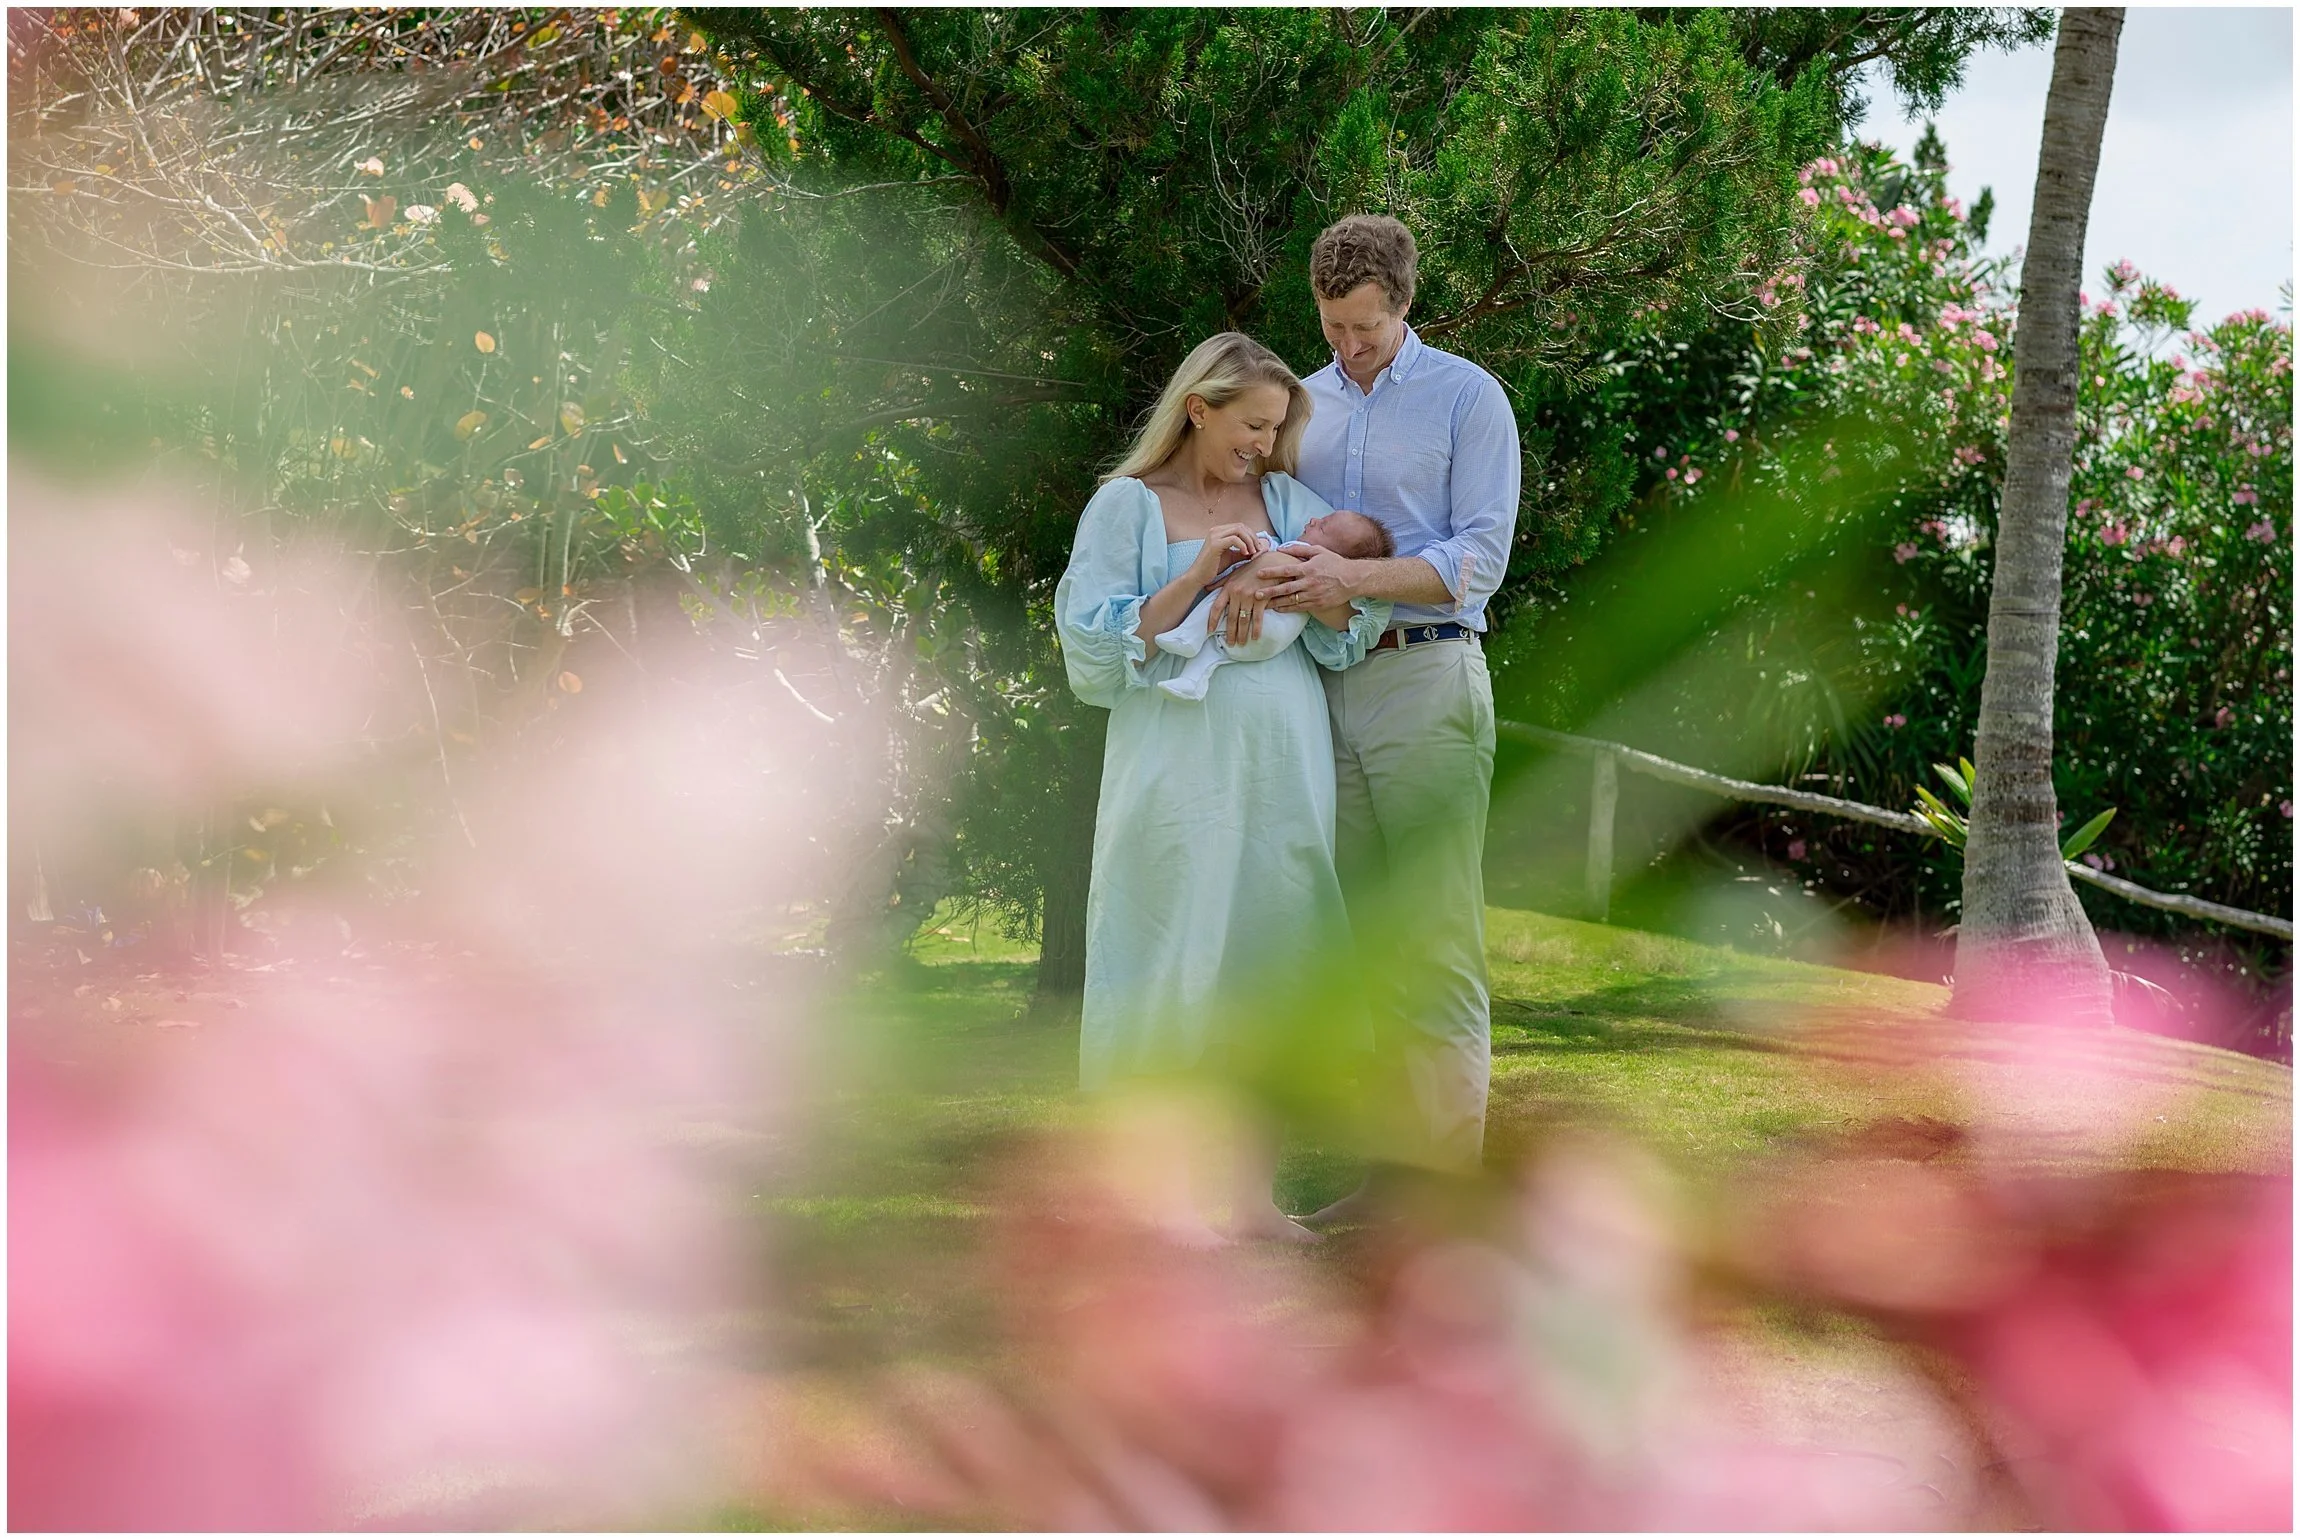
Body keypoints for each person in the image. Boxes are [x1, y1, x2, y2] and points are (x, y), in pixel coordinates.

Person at [1053, 331, 1390, 1244]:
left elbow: (1350, 620)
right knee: (1168, 949)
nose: (1263, 444)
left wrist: (1290, 585)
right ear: (1198, 408)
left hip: (1281, 756)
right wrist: (1204, 576)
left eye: (1275, 428)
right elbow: (1090, 652)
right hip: (1173, 758)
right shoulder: (1125, 507)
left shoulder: (1287, 501)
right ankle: (1153, 1200)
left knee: (1270, 954)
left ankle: (1249, 1201)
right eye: (1251, 424)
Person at [1212, 214, 1520, 1191]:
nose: (1345, 347)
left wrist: (1357, 580)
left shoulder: (1467, 399)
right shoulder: (1299, 405)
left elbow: (1479, 559)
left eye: (1364, 329)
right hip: (1317, 688)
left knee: (1432, 937)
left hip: (1424, 679)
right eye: (1331, 326)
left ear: (1403, 306)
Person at [1152, 511, 1394, 703]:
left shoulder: (1303, 558)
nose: (1313, 519)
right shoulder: (1326, 592)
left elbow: (1264, 547)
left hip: (1264, 624)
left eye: (1323, 526)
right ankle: (1191, 682)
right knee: (1214, 655)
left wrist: (1258, 549)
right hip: (1272, 639)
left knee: (1218, 599)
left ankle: (1188, 635)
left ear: (1333, 555)